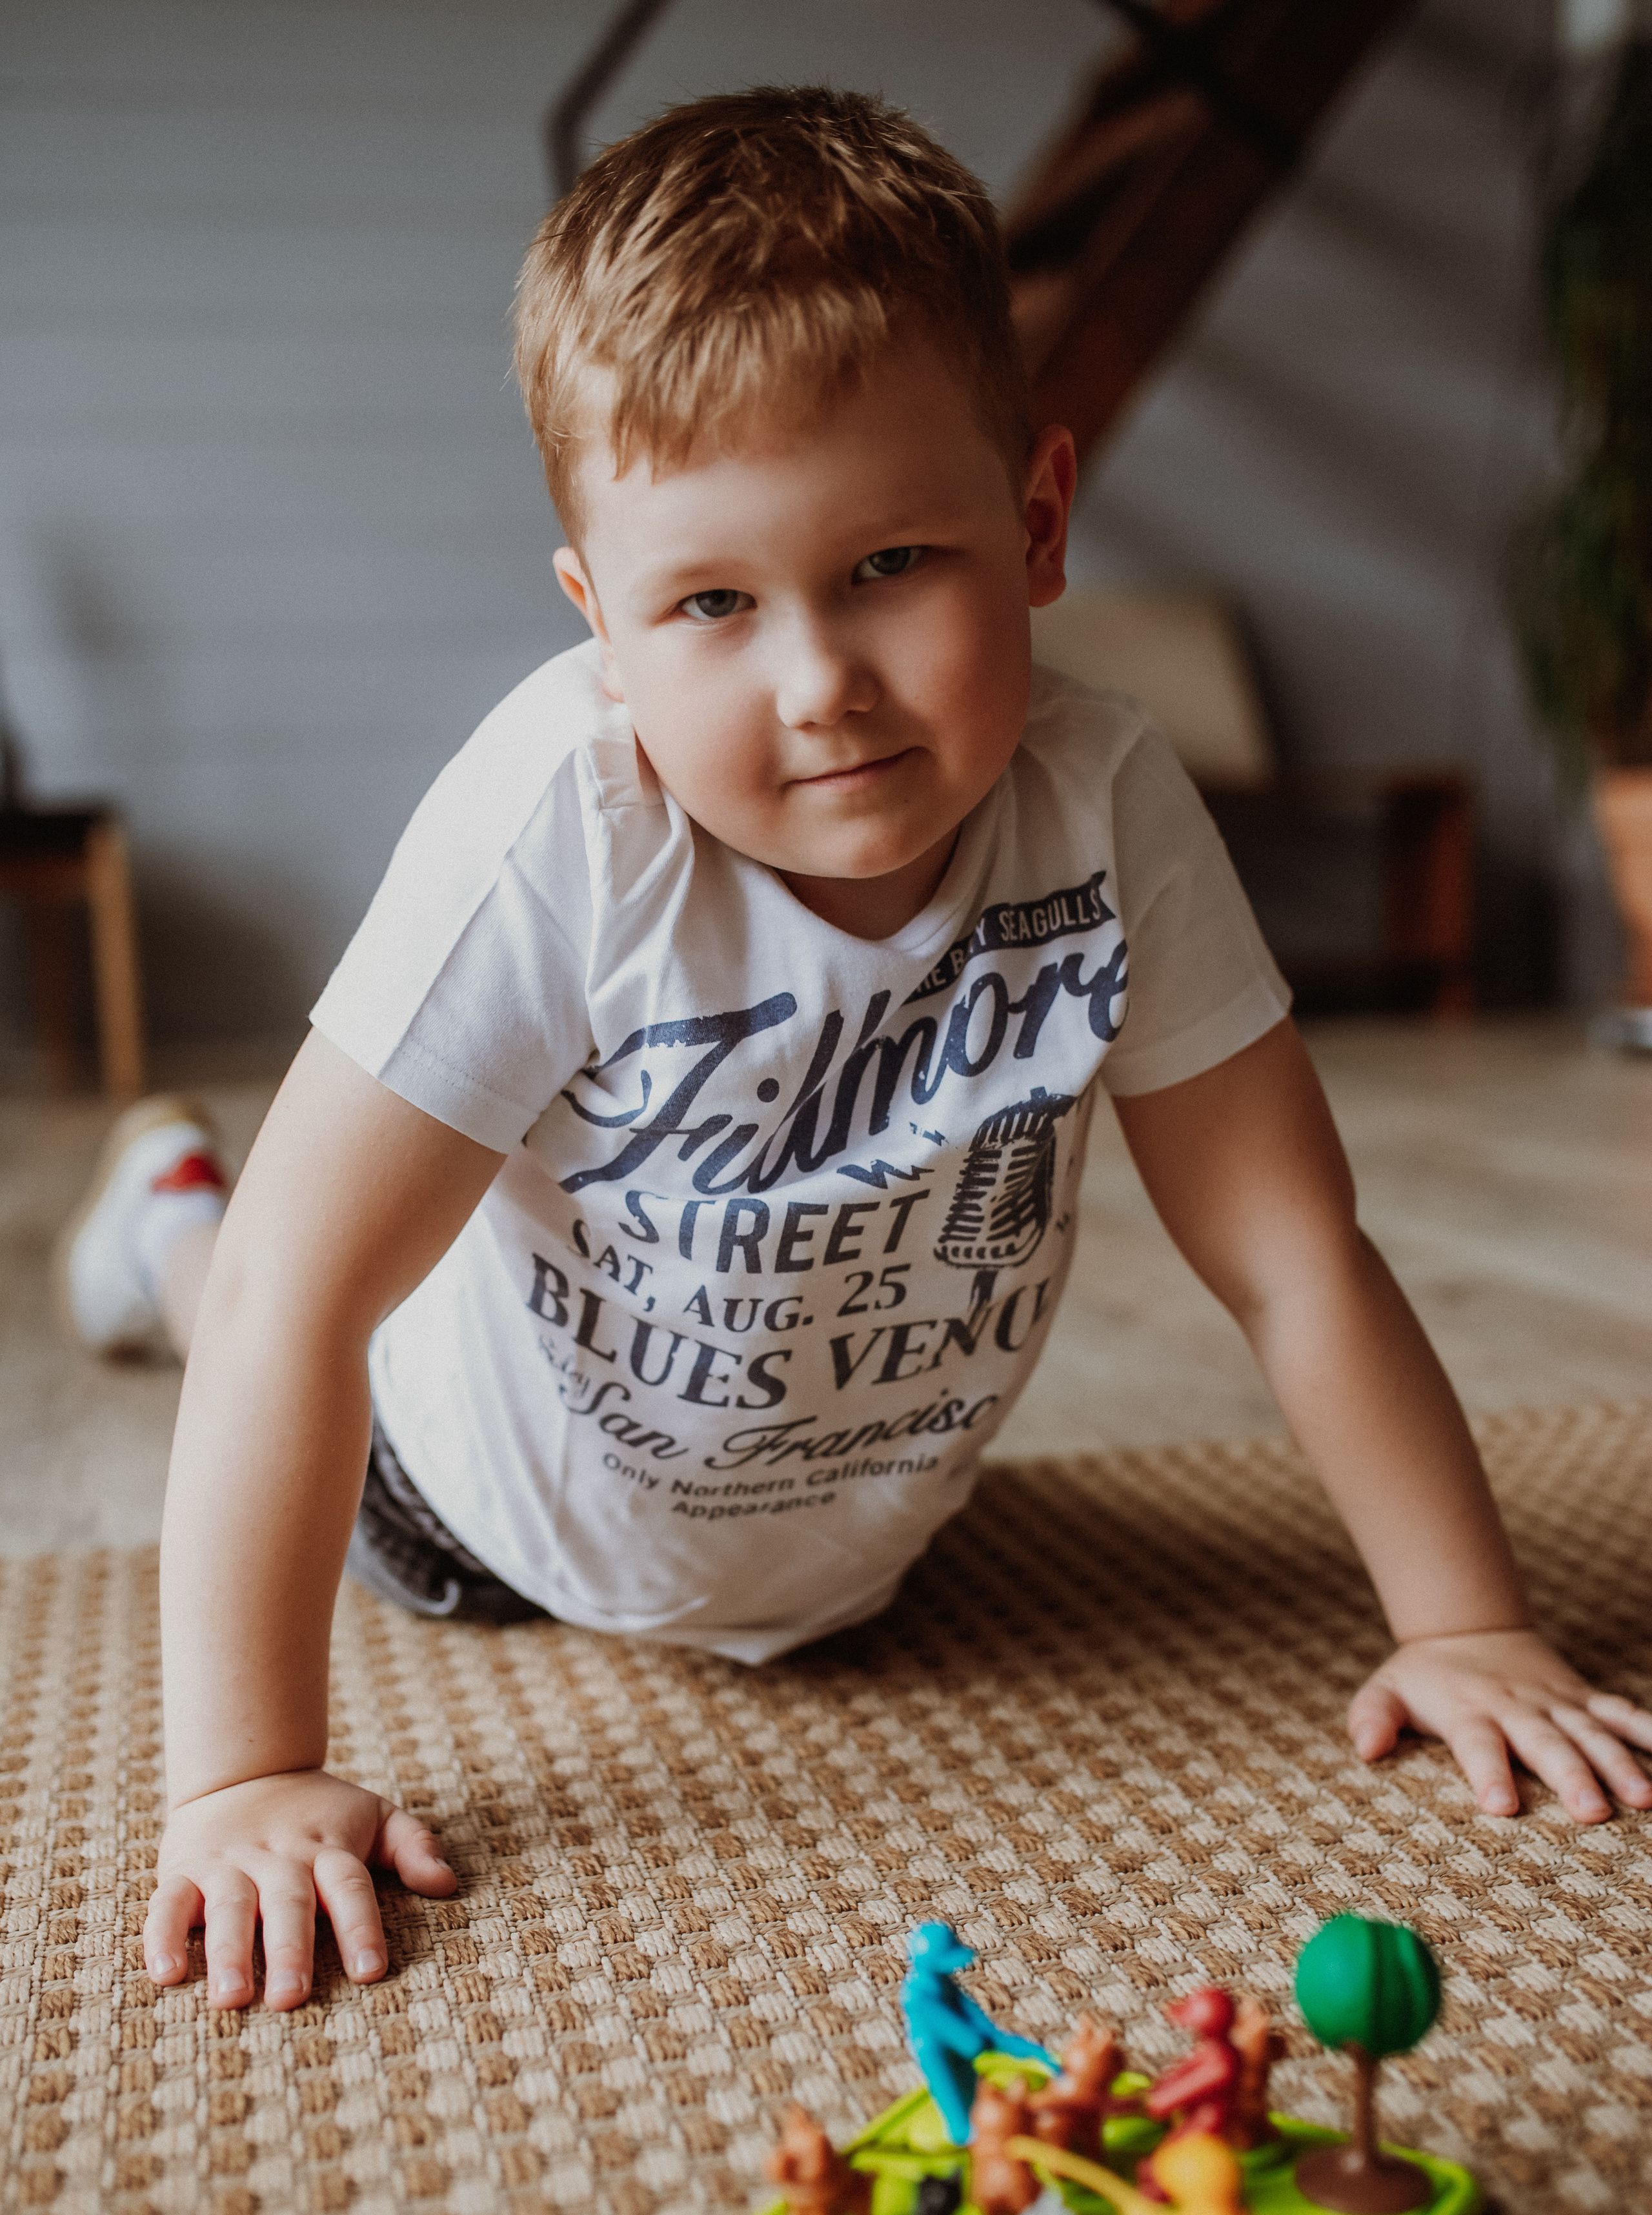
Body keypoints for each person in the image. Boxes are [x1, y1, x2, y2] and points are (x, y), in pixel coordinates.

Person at [55, 88, 1652, 2017]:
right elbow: (300, 1304)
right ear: (603, 624)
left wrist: (1468, 1622)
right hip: (477, 1517)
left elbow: (1293, 1251)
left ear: (1037, 522)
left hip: (871, 1549)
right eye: (713, 604)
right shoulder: (563, 831)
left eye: (893, 562)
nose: (821, 682)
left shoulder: (1106, 805)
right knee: (251, 1276)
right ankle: (168, 1209)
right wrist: (243, 1777)